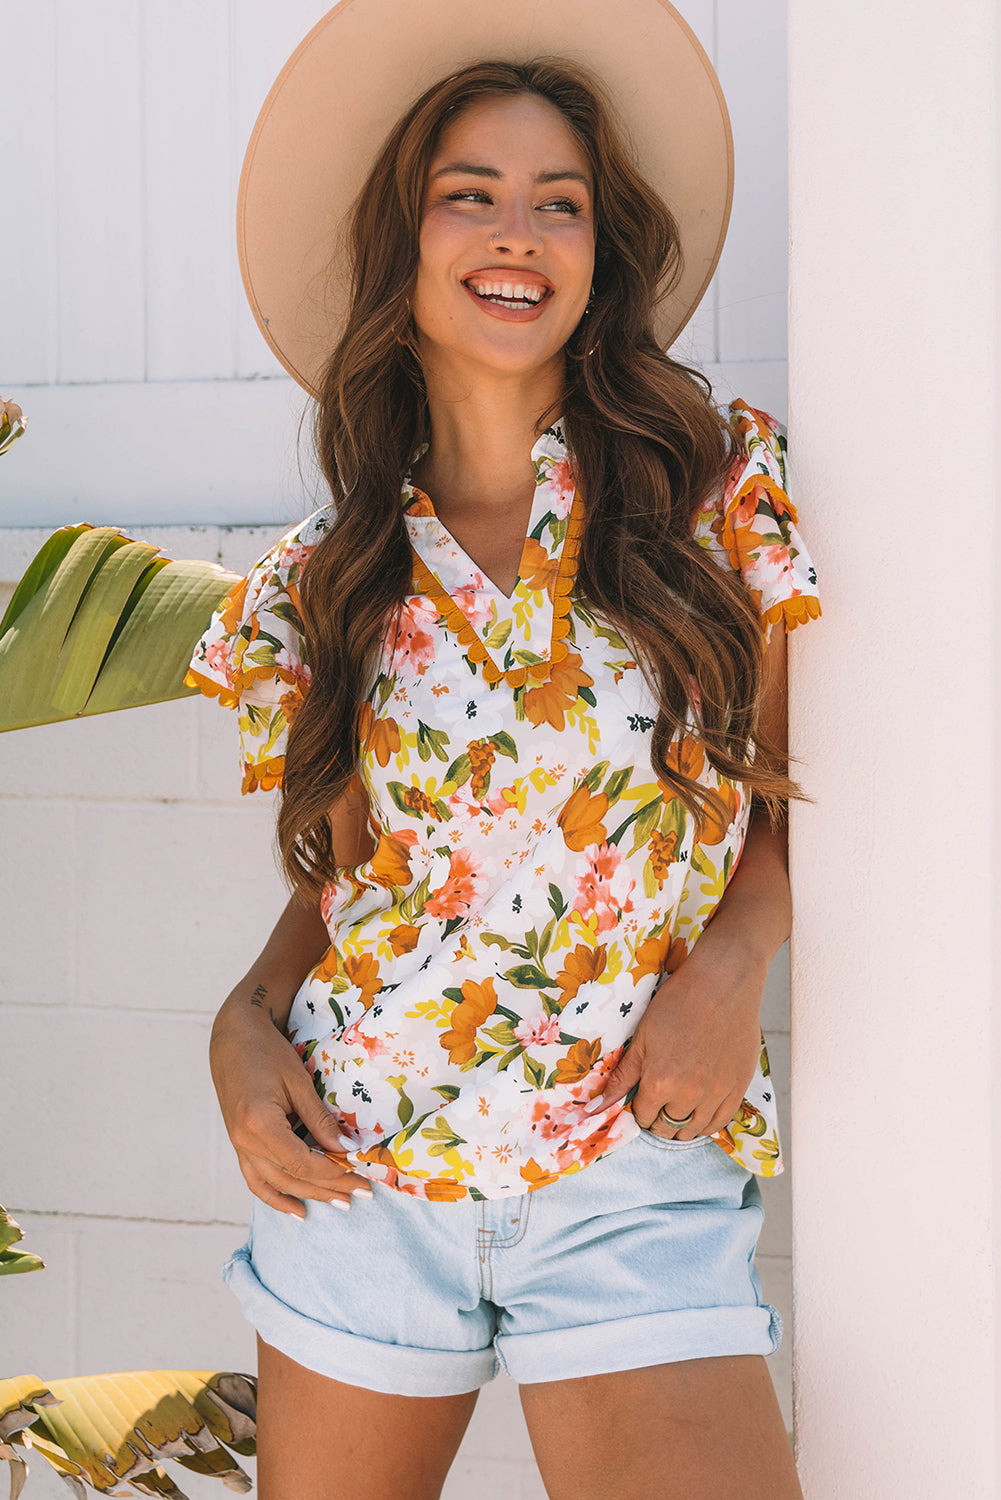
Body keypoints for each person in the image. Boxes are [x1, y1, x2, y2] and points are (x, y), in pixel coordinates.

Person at [186, 7, 819, 1497]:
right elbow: (347, 884)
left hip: (632, 1172)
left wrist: (729, 973)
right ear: (402, 244)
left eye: (560, 202)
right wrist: (241, 1021)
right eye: (468, 193)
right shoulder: (318, 580)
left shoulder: (716, 488)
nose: (516, 231)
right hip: (360, 1176)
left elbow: (802, 805)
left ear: (602, 251)